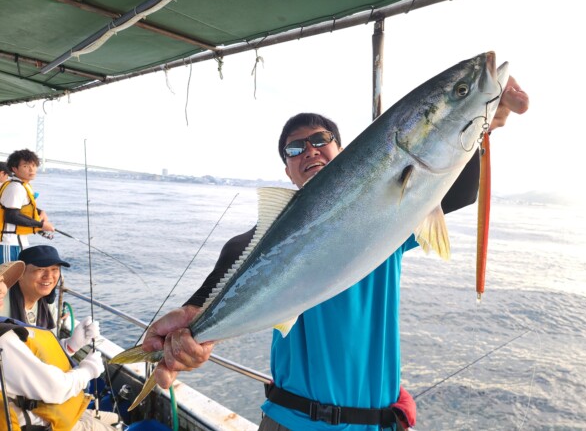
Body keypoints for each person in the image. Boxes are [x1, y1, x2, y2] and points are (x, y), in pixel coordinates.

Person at [140, 77, 530, 430]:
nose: (308, 150)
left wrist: (481, 124)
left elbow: (458, 191)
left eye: (320, 140)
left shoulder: (390, 220)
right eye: (295, 148)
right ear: (289, 172)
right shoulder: (257, 243)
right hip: (291, 422)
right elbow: (230, 272)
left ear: (343, 150)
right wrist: (190, 328)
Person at [0, 261, 118, 431]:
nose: (3, 288)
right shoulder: (4, 340)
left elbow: (22, 367)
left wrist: (69, 346)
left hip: (51, 411)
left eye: (2, 280)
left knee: (113, 418)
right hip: (39, 423)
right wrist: (88, 370)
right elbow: (54, 388)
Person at [0, 245, 70, 335]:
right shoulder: (1, 300)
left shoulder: (48, 304)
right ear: (20, 274)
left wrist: (72, 345)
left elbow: (50, 343)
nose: (48, 276)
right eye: (40, 269)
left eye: (54, 269)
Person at [0, 149, 55, 263]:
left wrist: (40, 212)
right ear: (14, 169)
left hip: (16, 241)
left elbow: (19, 206)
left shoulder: (23, 185)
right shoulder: (16, 188)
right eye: (25, 166)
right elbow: (11, 216)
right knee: (7, 279)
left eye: (34, 165)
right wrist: (41, 225)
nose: (32, 169)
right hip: (8, 243)